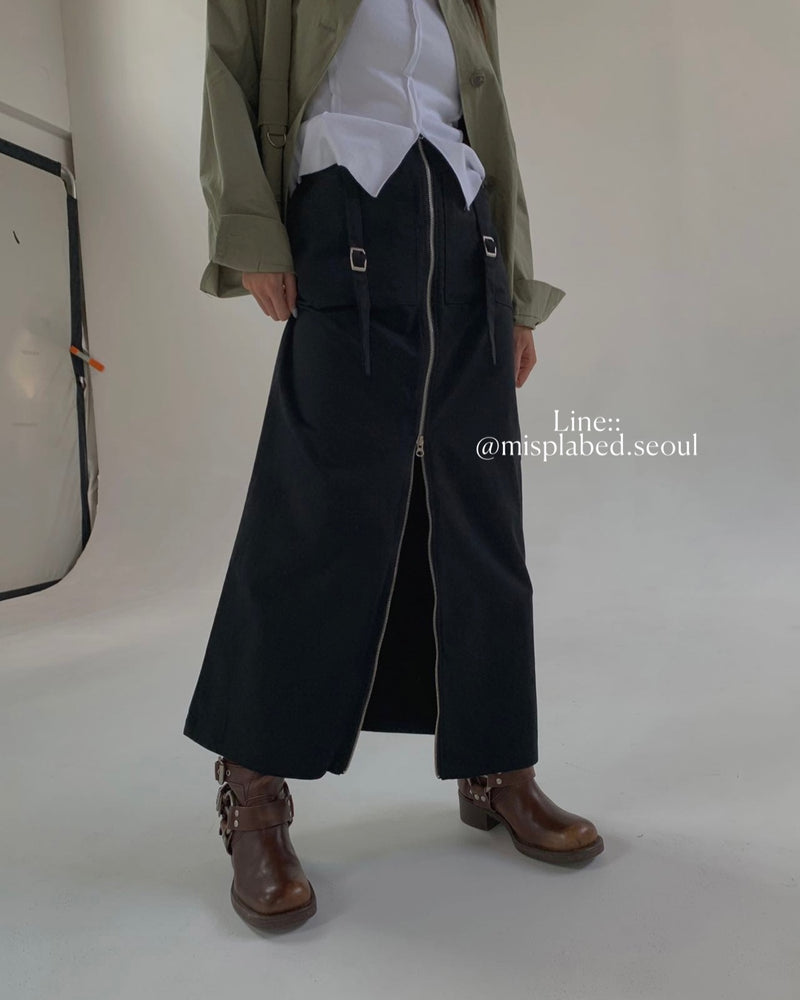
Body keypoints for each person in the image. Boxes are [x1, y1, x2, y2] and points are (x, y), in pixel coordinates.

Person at [183, 0, 603, 932]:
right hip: (344, 220)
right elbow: (227, 74)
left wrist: (514, 293)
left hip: (465, 237)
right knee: (314, 509)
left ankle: (498, 766)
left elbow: (492, 130)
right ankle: (254, 793)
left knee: (483, 518)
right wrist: (251, 229)